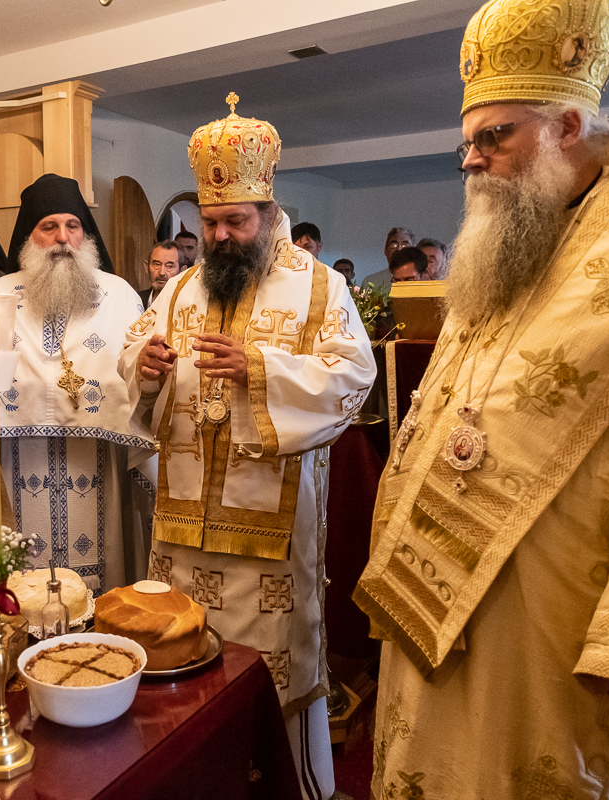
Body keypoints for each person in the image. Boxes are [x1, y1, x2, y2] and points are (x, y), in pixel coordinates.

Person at [354, 1, 609, 797]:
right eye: (467, 142)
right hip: (433, 593)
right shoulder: (515, 234)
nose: (472, 161)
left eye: (494, 137)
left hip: (556, 625)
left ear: (567, 125)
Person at [120, 96, 376, 799]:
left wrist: (261, 370)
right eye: (210, 224)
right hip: (182, 531)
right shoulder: (178, 290)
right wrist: (145, 369)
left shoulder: (320, 288)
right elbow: (132, 357)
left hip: (271, 538)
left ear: (268, 211)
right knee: (185, 660)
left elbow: (353, 379)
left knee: (272, 675)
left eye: (236, 221)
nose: (222, 237)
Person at [0, 174, 156, 592]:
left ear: (86, 234)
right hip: (17, 458)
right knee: (23, 579)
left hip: (100, 459)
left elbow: (138, 372)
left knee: (104, 570)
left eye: (72, 226)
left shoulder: (119, 295)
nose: (62, 238)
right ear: (29, 236)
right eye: (49, 226)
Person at [140, 239, 180, 308]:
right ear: (147, 267)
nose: (162, 273)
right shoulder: (136, 300)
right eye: (156, 265)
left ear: (182, 271)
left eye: (169, 266)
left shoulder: (188, 305)